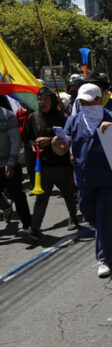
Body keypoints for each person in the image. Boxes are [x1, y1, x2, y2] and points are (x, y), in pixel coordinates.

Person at [52, 83, 112, 278]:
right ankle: (104, 232)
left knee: (103, 219)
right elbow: (62, 148)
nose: (84, 104)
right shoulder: (73, 121)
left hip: (107, 181)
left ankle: (103, 258)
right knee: (89, 215)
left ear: (99, 101)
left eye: (88, 101)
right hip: (83, 180)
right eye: (81, 102)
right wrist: (56, 145)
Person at [19, 88, 79, 242]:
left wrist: (50, 139)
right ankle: (35, 227)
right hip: (44, 167)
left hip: (62, 165)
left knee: (68, 195)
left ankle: (73, 217)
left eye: (46, 99)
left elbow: (67, 138)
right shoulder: (33, 118)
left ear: (52, 100)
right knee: (41, 198)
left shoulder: (63, 117)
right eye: (40, 99)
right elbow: (28, 138)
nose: (42, 102)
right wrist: (34, 144)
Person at [0, 96, 32, 233]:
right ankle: (6, 207)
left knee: (18, 195)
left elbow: (15, 141)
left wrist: (11, 162)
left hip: (8, 165)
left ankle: (28, 226)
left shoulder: (8, 116)